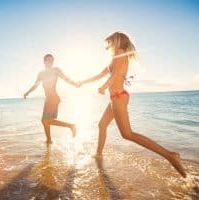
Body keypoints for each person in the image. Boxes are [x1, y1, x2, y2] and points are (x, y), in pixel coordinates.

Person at [77, 31, 186, 178]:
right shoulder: (116, 58)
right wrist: (82, 82)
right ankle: (98, 154)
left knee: (127, 134)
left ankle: (170, 155)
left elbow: (115, 76)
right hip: (116, 97)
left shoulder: (119, 54)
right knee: (102, 125)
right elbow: (100, 74)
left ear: (116, 42)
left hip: (118, 98)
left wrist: (104, 87)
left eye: (109, 42)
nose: (107, 46)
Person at [24, 54, 77, 144]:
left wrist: (74, 83)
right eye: (48, 60)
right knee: (46, 121)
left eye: (51, 60)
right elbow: (35, 85)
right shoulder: (41, 73)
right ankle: (49, 140)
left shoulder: (56, 70)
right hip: (49, 98)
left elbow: (65, 78)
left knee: (46, 120)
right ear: (44, 61)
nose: (50, 62)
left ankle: (70, 126)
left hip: (53, 98)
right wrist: (28, 92)